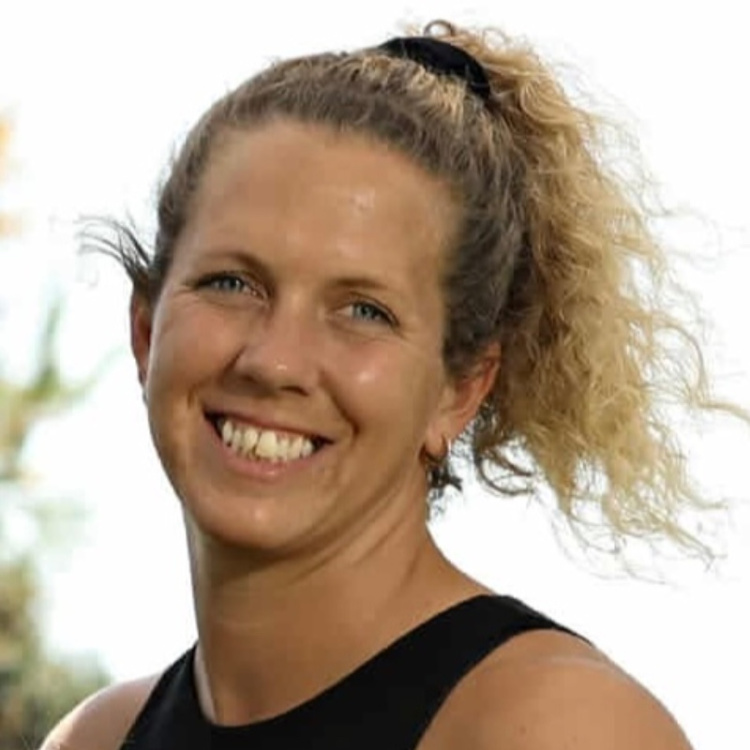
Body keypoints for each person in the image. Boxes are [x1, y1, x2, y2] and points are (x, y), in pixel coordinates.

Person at [41, 19, 741, 750]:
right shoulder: (96, 739)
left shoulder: (557, 728)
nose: (274, 362)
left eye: (363, 311)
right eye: (232, 283)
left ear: (458, 392)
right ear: (146, 330)